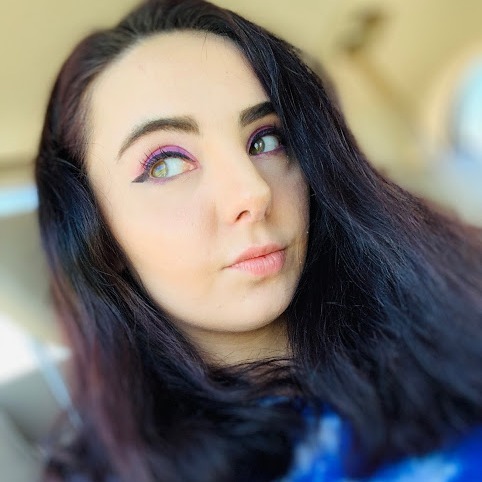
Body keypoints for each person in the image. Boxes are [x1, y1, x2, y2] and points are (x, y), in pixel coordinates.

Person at [34, 1, 482, 481]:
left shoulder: (455, 313)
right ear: (99, 233)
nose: (253, 192)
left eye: (265, 140)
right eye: (165, 163)